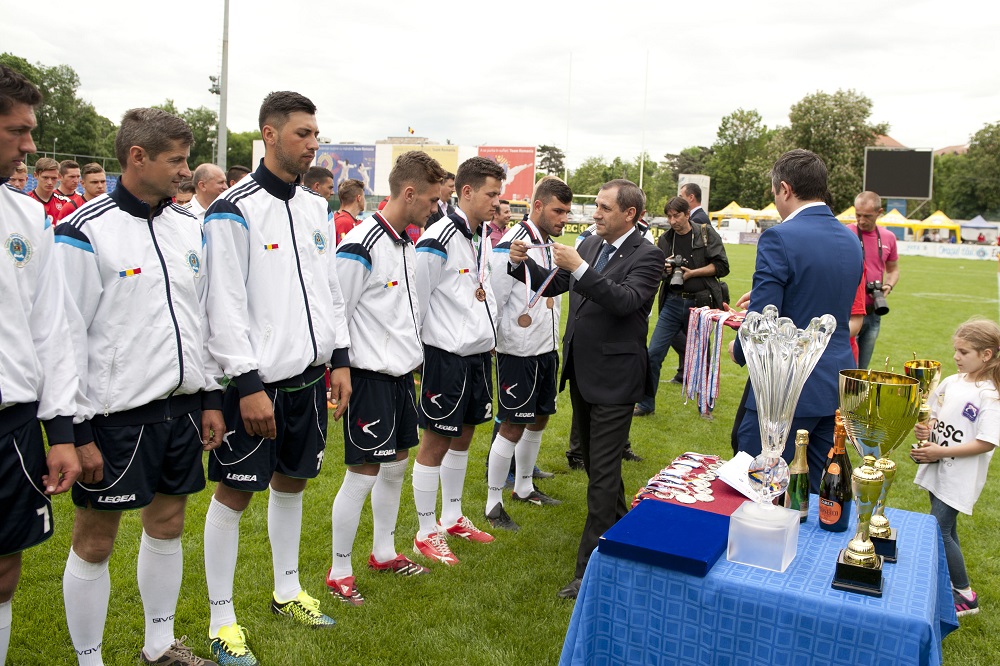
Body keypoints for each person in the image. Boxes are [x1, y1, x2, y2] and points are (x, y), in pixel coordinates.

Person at [55, 107, 225, 666]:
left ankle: (159, 646)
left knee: (169, 524)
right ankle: (90, 659)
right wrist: (74, 430)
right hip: (112, 418)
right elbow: (64, 338)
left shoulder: (187, 227)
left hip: (181, 411)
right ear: (137, 157)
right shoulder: (83, 232)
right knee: (96, 540)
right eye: (175, 160)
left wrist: (208, 399)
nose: (184, 171)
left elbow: (199, 319)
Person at [202, 91, 351, 664]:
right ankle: (222, 618)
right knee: (236, 492)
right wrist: (246, 386)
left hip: (309, 379)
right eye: (303, 134)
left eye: (317, 134)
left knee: (293, 481)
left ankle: (287, 589)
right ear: (268, 134)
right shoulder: (232, 209)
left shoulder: (316, 208)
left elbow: (329, 292)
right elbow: (224, 306)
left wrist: (339, 359)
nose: (314, 144)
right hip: (255, 387)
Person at [510, 179, 663, 598]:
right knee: (598, 466)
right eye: (595, 206)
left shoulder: (649, 256)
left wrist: (579, 267)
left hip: (616, 379)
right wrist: (520, 262)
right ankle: (625, 534)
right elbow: (558, 284)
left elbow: (625, 301)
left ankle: (588, 571)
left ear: (629, 214)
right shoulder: (592, 246)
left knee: (603, 473)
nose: (594, 214)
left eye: (603, 207)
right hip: (583, 371)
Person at [326, 151, 447, 605]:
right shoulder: (360, 243)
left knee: (395, 465)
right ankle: (339, 571)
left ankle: (383, 551)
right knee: (363, 473)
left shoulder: (407, 243)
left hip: (399, 378)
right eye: (432, 200)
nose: (435, 208)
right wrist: (338, 372)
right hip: (368, 377)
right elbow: (337, 312)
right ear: (409, 192)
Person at [0, 63, 81, 666]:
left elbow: (51, 330)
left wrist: (60, 433)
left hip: (13, 425)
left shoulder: (27, 218)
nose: (30, 145)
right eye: (18, 131)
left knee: (4, 572)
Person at [730, 149, 862, 493]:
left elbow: (762, 323)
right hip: (835, 380)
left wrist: (739, 350)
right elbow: (820, 296)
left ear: (785, 189)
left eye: (775, 193)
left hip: (785, 384)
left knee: (756, 484)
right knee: (814, 492)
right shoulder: (850, 239)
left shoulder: (780, 237)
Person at [410, 156, 504, 565]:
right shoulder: (440, 234)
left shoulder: (478, 234)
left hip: (476, 356)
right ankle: (425, 531)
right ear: (466, 192)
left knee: (463, 436)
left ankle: (451, 517)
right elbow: (417, 295)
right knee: (435, 441)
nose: (497, 203)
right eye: (491, 194)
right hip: (445, 356)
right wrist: (419, 351)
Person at [484, 177, 573, 531]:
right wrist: (494, 338)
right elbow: (495, 295)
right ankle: (493, 502)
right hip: (518, 349)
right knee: (512, 424)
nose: (564, 218)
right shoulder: (512, 243)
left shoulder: (547, 243)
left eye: (566, 212)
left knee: (539, 418)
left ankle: (524, 487)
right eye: (558, 210)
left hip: (545, 347)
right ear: (537, 206)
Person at [910, 318, 1000, 618]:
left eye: (963, 352)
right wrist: (927, 431)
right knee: (947, 529)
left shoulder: (989, 394)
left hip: (959, 474)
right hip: (939, 467)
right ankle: (951, 583)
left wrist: (941, 450)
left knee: (938, 530)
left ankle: (965, 595)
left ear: (986, 355)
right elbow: (935, 416)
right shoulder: (951, 381)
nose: (956, 357)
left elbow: (986, 442)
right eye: (956, 350)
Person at [634, 196, 729, 417]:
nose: (672, 220)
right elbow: (656, 272)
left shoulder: (705, 234)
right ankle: (646, 404)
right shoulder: (666, 239)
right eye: (669, 216)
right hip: (672, 302)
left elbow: (723, 266)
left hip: (699, 304)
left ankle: (705, 408)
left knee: (701, 357)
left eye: (676, 215)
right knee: (653, 353)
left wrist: (692, 273)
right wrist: (664, 271)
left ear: (687, 214)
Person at [846, 191, 898, 369]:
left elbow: (893, 270)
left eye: (867, 216)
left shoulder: (889, 237)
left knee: (862, 369)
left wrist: (888, 285)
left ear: (879, 212)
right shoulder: (846, 233)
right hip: (850, 311)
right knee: (847, 368)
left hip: (874, 310)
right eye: (858, 215)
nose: (861, 220)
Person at [29, 156, 72, 225]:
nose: (50, 182)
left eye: (53, 178)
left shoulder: (66, 203)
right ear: (36, 175)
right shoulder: (25, 200)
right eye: (45, 177)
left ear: (59, 177)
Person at [334, 178, 365, 244]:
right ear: (359, 198)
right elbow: (343, 251)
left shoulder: (354, 221)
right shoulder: (343, 222)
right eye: (364, 197)